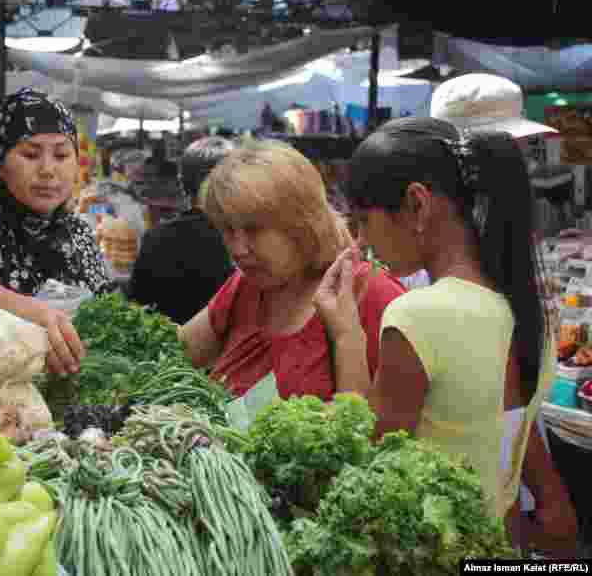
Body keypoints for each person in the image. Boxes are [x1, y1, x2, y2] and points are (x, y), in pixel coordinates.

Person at [314, 116, 548, 523]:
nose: (362, 241)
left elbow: (367, 462)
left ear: (417, 205)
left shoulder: (419, 314)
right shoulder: (525, 306)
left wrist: (346, 333)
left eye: (364, 221)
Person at [431, 74, 577, 554]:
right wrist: (546, 493)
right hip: (486, 501)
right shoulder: (444, 266)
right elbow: (496, 405)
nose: (526, 166)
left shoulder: (495, 245)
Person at [178, 141, 405, 400]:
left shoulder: (372, 295)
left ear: (303, 225)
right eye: (228, 230)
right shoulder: (245, 286)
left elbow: (384, 427)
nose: (239, 249)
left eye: (254, 229)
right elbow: (175, 353)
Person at [0, 88, 114, 375]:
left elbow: (108, 309)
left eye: (61, 155)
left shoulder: (80, 235)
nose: (47, 170)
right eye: (30, 154)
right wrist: (38, 315)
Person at [129, 137, 237, 324]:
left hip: (167, 348)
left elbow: (138, 306)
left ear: (182, 184)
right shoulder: (244, 243)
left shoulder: (155, 238)